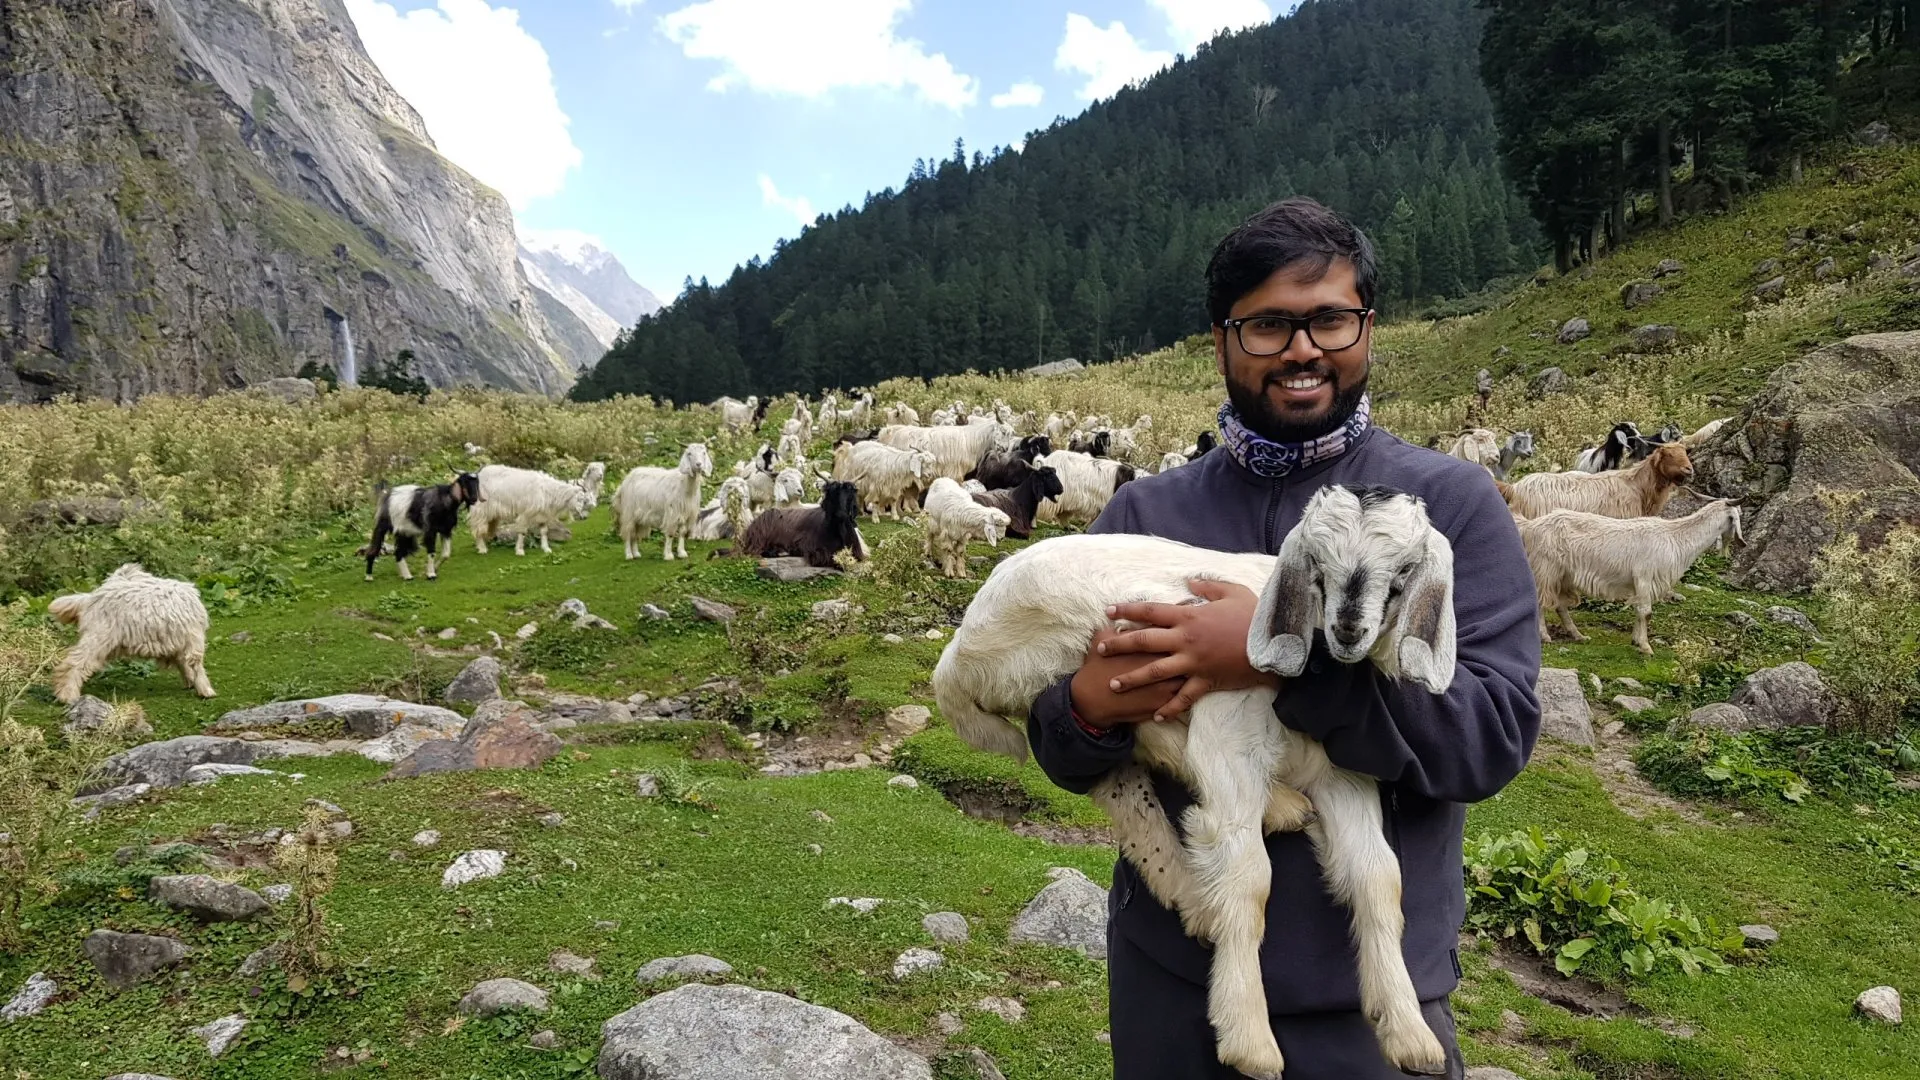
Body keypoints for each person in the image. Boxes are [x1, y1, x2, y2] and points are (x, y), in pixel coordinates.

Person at [1026, 196, 1542, 1079]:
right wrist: (1082, 709)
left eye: (1330, 319)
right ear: (1222, 341)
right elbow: (1066, 752)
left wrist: (1270, 659)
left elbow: (1489, 741)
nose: (1303, 349)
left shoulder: (1446, 508)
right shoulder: (1146, 515)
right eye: (1267, 325)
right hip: (1173, 993)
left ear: (1368, 327)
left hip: (1373, 1012)